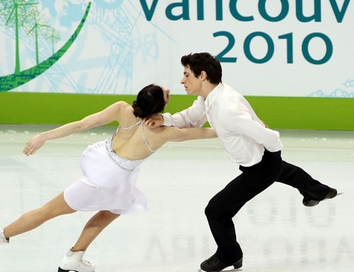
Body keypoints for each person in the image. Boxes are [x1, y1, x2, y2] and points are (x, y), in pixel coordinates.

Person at [0, 84, 216, 272]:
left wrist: (45, 135)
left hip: (104, 163)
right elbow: (203, 133)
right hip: (110, 178)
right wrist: (236, 128)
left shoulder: (122, 109)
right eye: (168, 94)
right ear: (161, 108)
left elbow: (81, 124)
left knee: (114, 209)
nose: (170, 92)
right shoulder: (163, 132)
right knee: (49, 210)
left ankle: (74, 257)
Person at [145, 52, 338, 272]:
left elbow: (272, 138)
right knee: (287, 173)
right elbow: (190, 118)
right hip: (258, 160)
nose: (182, 80)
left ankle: (230, 255)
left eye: (186, 74)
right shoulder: (210, 97)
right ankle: (319, 191)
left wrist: (270, 162)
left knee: (216, 211)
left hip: (259, 166)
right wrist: (165, 119)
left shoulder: (227, 109)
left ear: (202, 76)